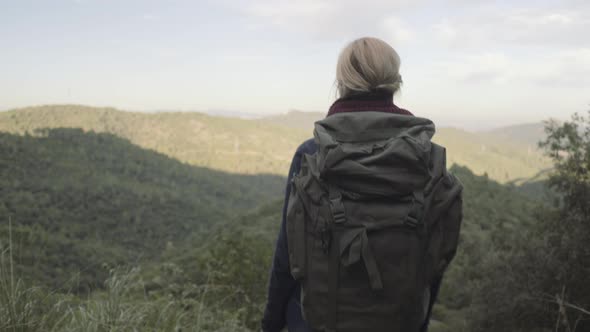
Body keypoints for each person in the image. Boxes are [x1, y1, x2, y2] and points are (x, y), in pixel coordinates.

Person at [262, 37, 463, 332]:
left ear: (341, 83)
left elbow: (287, 256)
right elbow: (434, 264)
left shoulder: (312, 155)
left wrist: (271, 323)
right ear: (395, 82)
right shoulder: (427, 161)